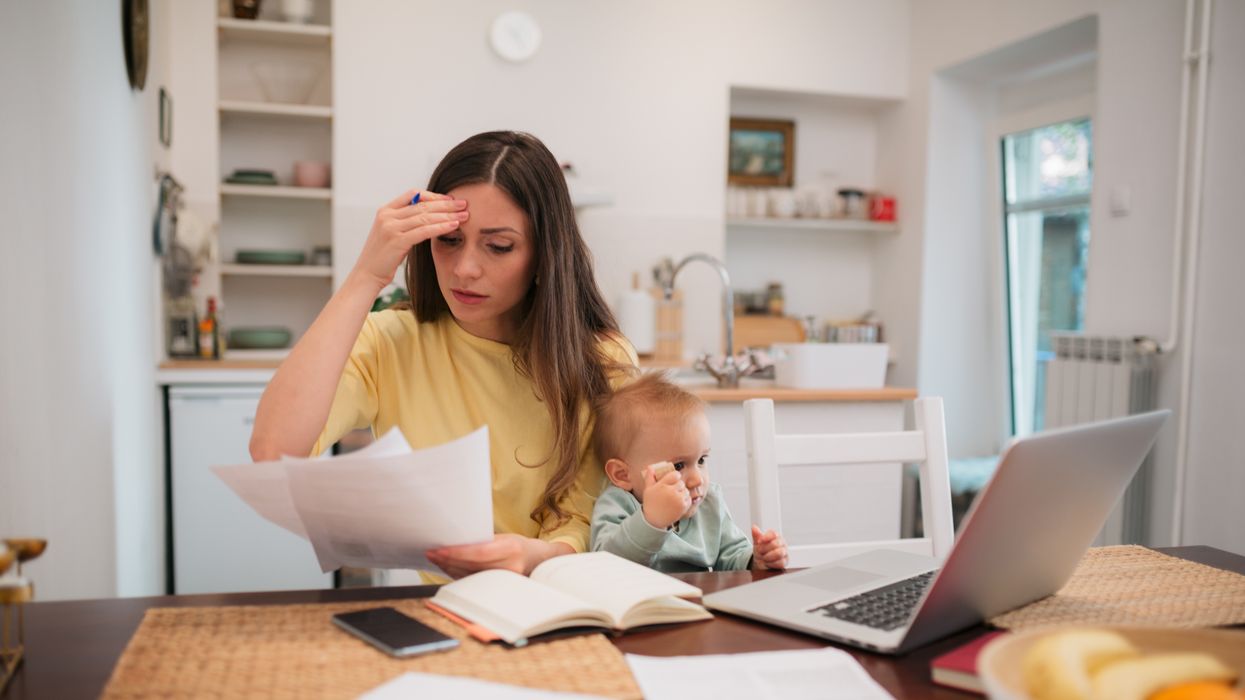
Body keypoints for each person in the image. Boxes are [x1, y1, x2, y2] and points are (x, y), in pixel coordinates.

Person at [249, 131, 637, 578]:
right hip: (447, 611)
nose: (465, 269)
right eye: (448, 240)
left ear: (545, 257)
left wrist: (539, 557)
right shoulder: (391, 342)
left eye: (499, 246)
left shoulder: (602, 358)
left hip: (573, 605)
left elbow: (609, 520)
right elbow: (274, 450)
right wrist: (366, 276)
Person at [590, 373, 789, 573]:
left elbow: (732, 555)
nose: (697, 479)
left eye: (701, 460)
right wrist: (651, 520)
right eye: (678, 466)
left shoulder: (709, 503)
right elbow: (605, 565)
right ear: (623, 475)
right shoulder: (616, 505)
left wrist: (756, 559)